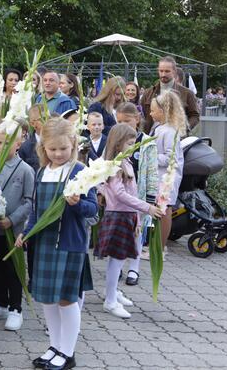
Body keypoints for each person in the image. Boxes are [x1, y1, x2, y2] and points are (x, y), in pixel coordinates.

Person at [15, 117, 98, 370]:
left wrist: (77, 204)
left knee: (65, 299)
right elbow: (37, 211)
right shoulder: (42, 171)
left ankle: (68, 352)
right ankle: (54, 346)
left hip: (68, 245)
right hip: (44, 244)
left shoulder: (80, 172)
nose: (58, 153)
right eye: (52, 149)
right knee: (47, 299)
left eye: (63, 148)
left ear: (73, 144)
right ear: (44, 148)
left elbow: (93, 209)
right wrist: (26, 233)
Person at [95, 124, 162, 319]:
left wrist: (137, 217)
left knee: (119, 259)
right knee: (116, 260)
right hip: (118, 216)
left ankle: (113, 291)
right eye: (130, 143)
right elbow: (120, 193)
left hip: (127, 215)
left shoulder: (125, 162)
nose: (133, 147)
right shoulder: (116, 165)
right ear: (118, 144)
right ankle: (110, 300)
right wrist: (146, 207)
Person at [0, 120, 34, 331]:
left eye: (8, 143)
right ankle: (1, 303)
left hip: (14, 229)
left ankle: (16, 308)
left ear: (19, 143)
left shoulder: (25, 170)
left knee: (14, 269)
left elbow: (29, 201)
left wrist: (12, 219)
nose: (3, 147)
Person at [115, 103, 159, 282]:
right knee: (118, 232)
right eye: (119, 121)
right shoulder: (115, 140)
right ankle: (116, 266)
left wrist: (150, 198)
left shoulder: (147, 143)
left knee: (137, 232)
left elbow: (152, 171)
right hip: (118, 196)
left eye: (127, 121)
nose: (123, 125)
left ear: (137, 119)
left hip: (138, 195)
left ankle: (134, 267)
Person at [149, 91, 185, 250]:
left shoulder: (169, 131)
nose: (150, 113)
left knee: (164, 210)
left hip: (167, 178)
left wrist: (151, 158)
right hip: (160, 177)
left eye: (153, 110)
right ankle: (155, 245)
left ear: (163, 111)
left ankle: (160, 247)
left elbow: (171, 158)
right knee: (160, 210)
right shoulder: (160, 128)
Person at [141, 56, 200, 134]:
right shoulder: (148, 93)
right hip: (151, 138)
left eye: (167, 71)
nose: (163, 74)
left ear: (174, 71)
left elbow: (195, 116)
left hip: (177, 139)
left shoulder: (187, 93)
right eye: (161, 71)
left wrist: (183, 129)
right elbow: (142, 115)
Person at [18, 104, 47, 173]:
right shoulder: (25, 147)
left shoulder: (56, 141)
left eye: (48, 117)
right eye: (42, 119)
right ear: (32, 124)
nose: (46, 121)